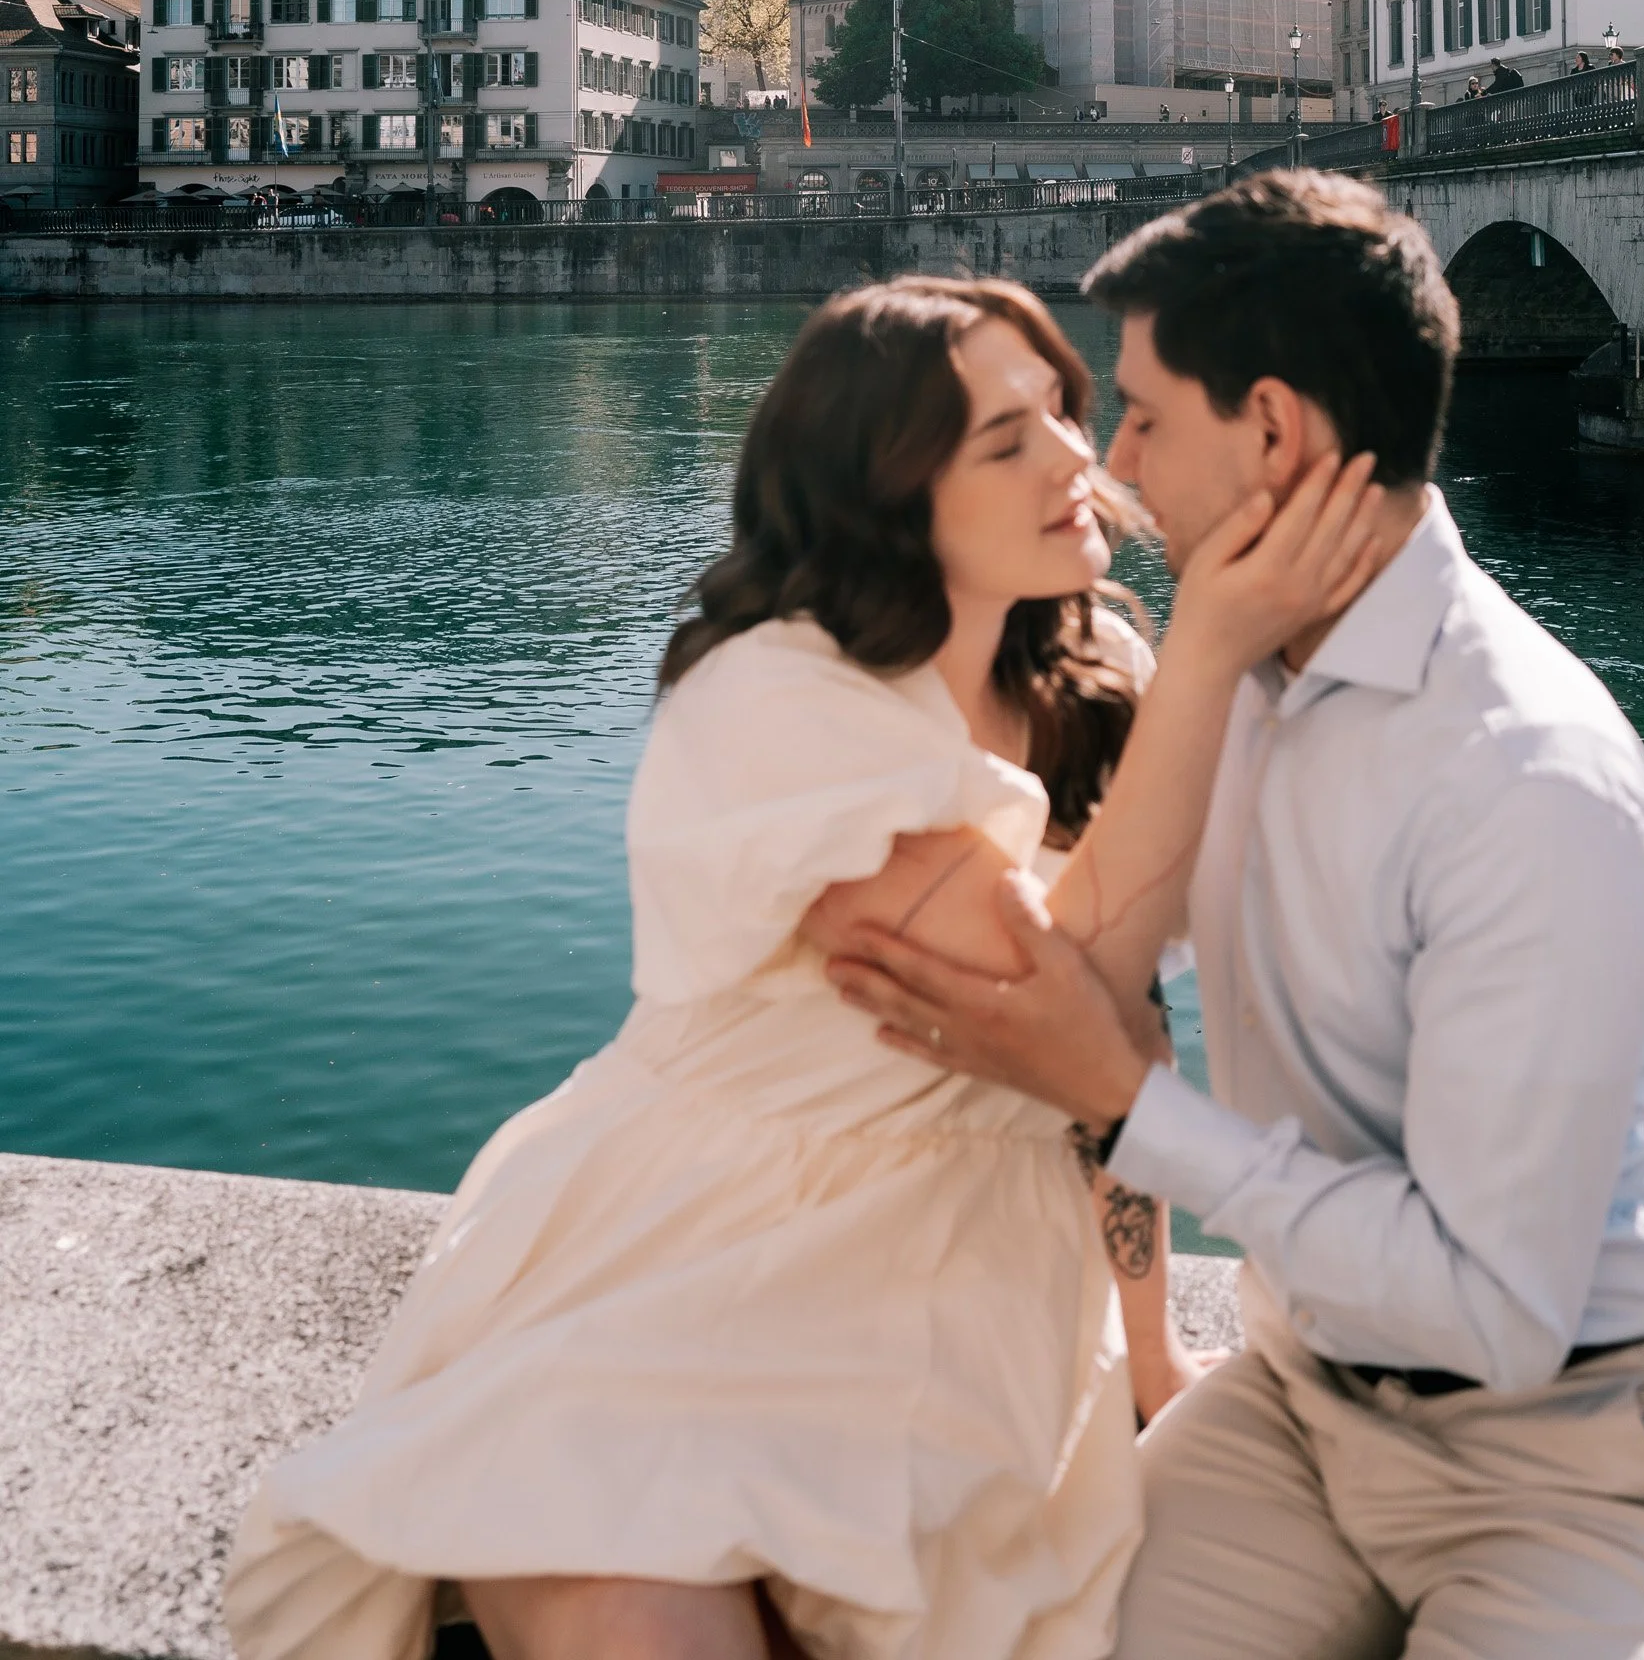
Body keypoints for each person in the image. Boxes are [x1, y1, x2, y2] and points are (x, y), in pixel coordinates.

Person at [227, 275, 1384, 1660]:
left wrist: (1147, 1362)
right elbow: (1050, 989)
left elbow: (1113, 1055)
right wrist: (1216, 648)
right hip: (702, 1259)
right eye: (1007, 441)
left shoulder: (1100, 678)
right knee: (635, 1603)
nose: (1078, 460)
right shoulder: (769, 699)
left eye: (1067, 414)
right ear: (883, 492)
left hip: (969, 1306)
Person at [834, 178, 1644, 1660]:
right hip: (1296, 1408)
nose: (1114, 465)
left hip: (1584, 1459)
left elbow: (1495, 1313)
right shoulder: (1219, 679)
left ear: (1272, 431)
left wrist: (1127, 1101)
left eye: (1142, 415)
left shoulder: (1531, 779)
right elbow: (1083, 967)